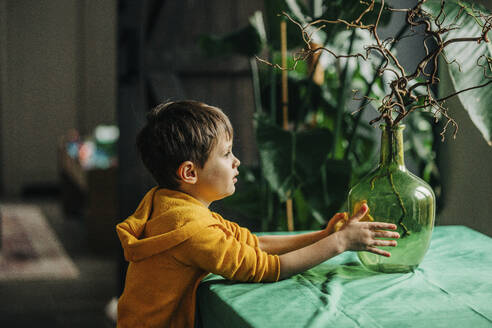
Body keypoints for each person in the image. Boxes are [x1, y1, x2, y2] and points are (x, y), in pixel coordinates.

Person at [116, 100, 400, 327]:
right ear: (189, 172)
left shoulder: (169, 205)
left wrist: (323, 235)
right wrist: (340, 243)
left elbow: (253, 243)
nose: (237, 161)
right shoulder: (192, 231)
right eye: (226, 154)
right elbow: (266, 269)